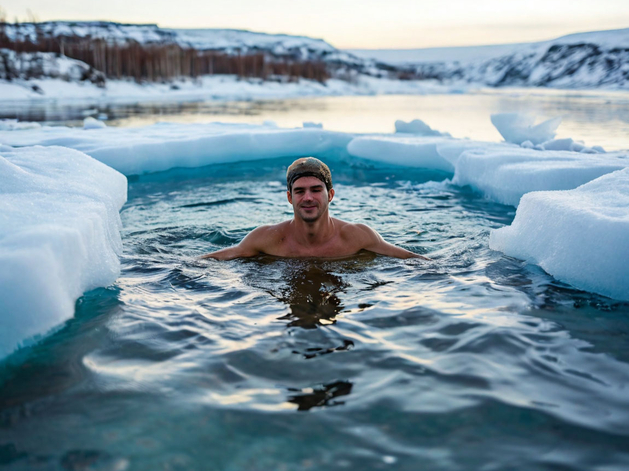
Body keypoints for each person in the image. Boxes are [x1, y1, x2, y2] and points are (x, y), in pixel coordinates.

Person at [200, 157, 430, 261]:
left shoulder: (356, 236)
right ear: (290, 197)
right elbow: (216, 259)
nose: (308, 198)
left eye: (316, 190)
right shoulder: (267, 238)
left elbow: (411, 259)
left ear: (330, 194)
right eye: (300, 191)